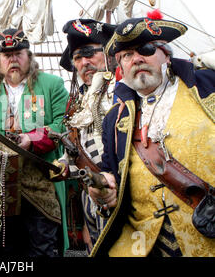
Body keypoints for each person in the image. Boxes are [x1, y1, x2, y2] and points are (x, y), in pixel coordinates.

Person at [89, 15, 215, 257]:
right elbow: (111, 172)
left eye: (145, 49)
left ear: (165, 54)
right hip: (143, 244)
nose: (136, 59)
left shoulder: (208, 86)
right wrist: (105, 191)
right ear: (121, 68)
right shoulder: (113, 119)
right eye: (126, 55)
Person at [0, 28, 69, 257]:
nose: (13, 59)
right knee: (6, 247)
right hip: (1, 182)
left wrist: (32, 138)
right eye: (6, 56)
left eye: (19, 53)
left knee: (42, 246)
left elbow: (64, 123)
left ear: (29, 57)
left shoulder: (52, 84)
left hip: (41, 178)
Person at [57, 19, 116, 253]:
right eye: (78, 58)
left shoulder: (124, 91)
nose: (84, 62)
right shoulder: (79, 100)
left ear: (109, 55)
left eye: (91, 53)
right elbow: (75, 150)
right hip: (91, 197)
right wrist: (59, 165)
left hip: (124, 194)